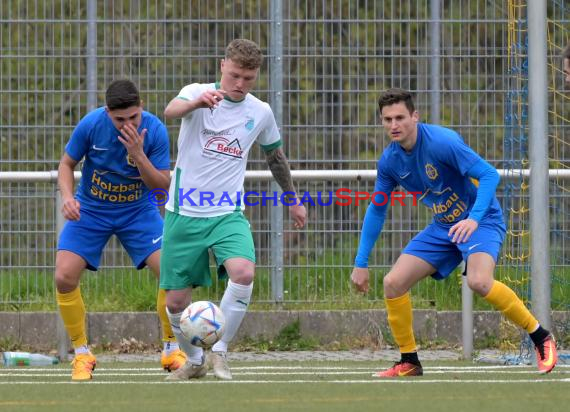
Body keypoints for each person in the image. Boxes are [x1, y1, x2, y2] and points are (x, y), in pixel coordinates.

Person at [350, 88, 558, 377]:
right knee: (393, 283)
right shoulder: (389, 162)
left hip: (481, 220)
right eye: (387, 119)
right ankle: (409, 361)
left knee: (479, 281)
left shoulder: (442, 142)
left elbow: (489, 175)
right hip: (444, 227)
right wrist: (361, 262)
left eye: (400, 117)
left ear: (415, 116)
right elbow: (377, 209)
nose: (393, 125)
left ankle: (541, 337)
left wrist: (473, 219)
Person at [161, 38, 307, 381]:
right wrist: (196, 103)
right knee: (175, 303)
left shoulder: (260, 112)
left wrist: (292, 199)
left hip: (228, 213)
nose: (240, 84)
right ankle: (195, 360)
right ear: (222, 65)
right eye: (235, 76)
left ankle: (221, 353)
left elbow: (275, 157)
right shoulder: (196, 92)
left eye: (249, 78)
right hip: (184, 211)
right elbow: (170, 111)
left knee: (243, 273)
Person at [55, 79, 186, 381]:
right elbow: (66, 164)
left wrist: (138, 154)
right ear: (107, 112)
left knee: (174, 271)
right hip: (91, 211)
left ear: (141, 109)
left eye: (133, 117)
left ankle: (170, 349)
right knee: (63, 276)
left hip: (137, 211)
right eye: (120, 119)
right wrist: (68, 197)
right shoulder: (91, 125)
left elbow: (162, 184)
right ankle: (82, 354)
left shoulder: (154, 130)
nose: (128, 124)